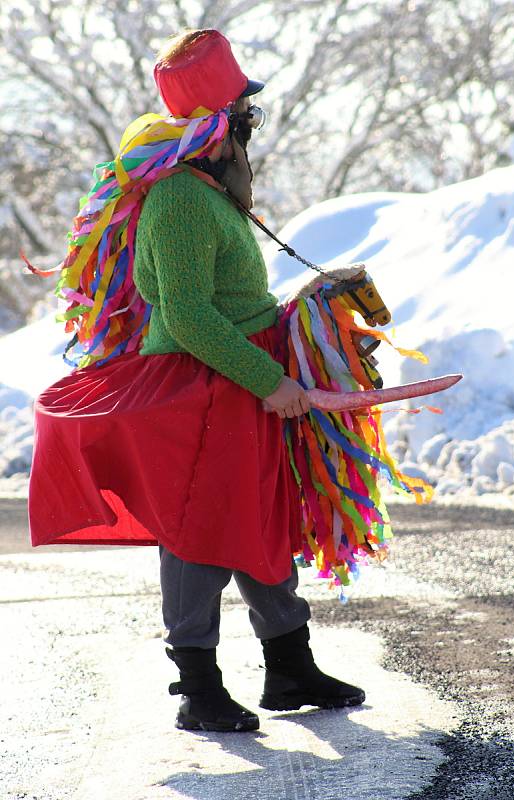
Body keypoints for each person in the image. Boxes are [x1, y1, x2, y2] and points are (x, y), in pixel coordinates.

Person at [27, 29, 365, 733]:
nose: (252, 126)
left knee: (259, 515)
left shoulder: (209, 191)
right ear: (223, 123)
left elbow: (225, 298)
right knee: (198, 531)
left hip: (235, 384)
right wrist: (268, 379)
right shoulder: (180, 198)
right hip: (205, 387)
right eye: (246, 113)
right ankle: (197, 687)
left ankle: (289, 665)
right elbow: (184, 313)